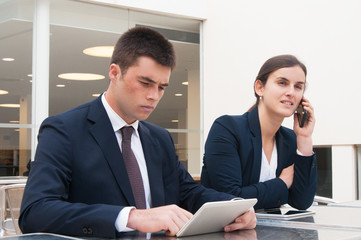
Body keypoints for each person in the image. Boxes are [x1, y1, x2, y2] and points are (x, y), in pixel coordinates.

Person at [19, 26, 256, 238]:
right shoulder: (64, 130)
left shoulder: (159, 138)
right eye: (145, 83)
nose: (154, 96)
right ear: (114, 73)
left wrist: (235, 207)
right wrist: (132, 217)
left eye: (162, 87)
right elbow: (36, 212)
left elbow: (188, 192)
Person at [201, 55, 317, 210]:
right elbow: (230, 199)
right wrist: (282, 183)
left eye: (298, 86)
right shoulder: (227, 129)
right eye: (282, 83)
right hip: (223, 232)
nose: (291, 92)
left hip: (271, 231)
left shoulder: (289, 138)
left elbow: (302, 202)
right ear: (259, 88)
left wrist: (304, 138)